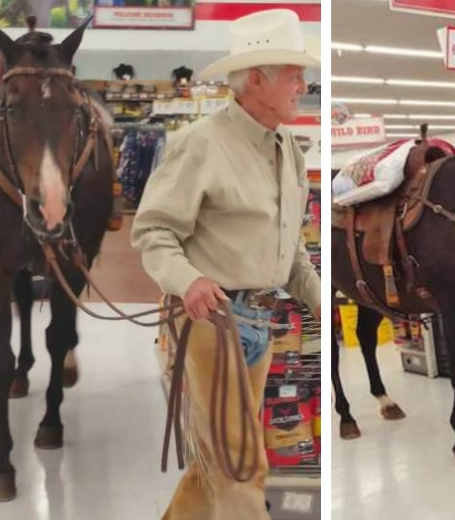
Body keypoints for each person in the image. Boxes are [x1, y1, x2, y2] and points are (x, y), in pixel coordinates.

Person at [130, 9, 320, 520]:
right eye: (293, 74)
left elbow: (290, 245)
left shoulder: (288, 151)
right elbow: (153, 232)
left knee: (219, 458)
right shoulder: (200, 144)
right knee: (241, 465)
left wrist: (321, 297)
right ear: (257, 79)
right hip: (210, 321)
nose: (304, 84)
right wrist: (187, 280)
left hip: (260, 321)